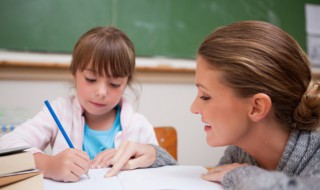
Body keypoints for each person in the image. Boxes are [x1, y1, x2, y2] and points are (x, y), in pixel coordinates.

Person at [104, 20, 320, 189]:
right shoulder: (241, 152)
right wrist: (157, 158)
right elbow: (207, 181)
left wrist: (242, 177)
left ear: (256, 107)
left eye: (205, 96)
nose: (194, 108)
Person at [0, 26, 158, 182]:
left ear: (126, 83)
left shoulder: (138, 125)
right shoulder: (59, 112)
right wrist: (48, 165)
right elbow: (5, 147)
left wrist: (154, 154)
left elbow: (168, 169)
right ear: (74, 73)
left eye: (114, 83)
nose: (101, 92)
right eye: (91, 79)